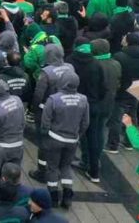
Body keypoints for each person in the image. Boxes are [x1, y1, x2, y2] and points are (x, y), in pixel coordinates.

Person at [39, 73, 88, 209]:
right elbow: (85, 122)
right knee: (66, 167)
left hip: (54, 138)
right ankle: (67, 196)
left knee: (52, 167)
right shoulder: (83, 100)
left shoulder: (54, 99)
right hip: (72, 140)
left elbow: (45, 122)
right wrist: (78, 134)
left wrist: (46, 134)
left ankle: (53, 197)